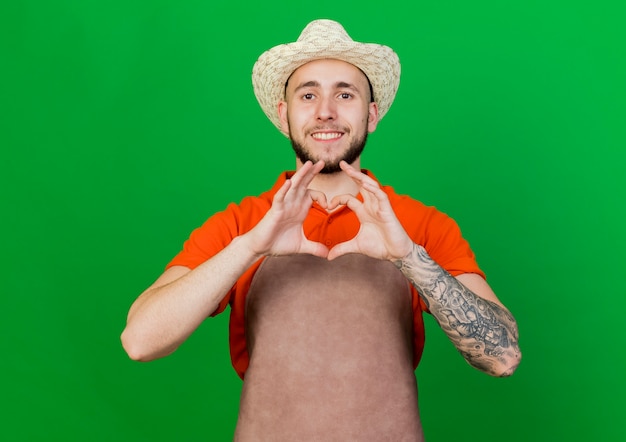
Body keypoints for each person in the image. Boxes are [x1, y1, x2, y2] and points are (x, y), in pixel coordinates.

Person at [121, 19, 521, 441]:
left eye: (344, 94)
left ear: (371, 115)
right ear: (284, 114)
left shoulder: (418, 225)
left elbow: (503, 357)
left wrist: (409, 257)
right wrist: (251, 246)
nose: (325, 111)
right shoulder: (242, 223)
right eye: (307, 94)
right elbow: (140, 341)